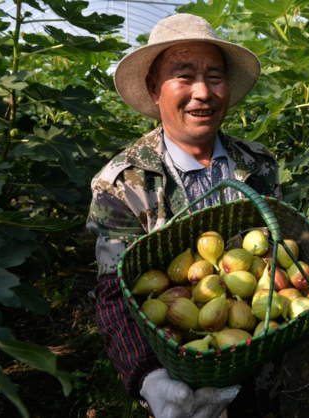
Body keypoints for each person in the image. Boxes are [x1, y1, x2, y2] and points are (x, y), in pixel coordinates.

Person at [86, 13, 281, 418]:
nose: (202, 92)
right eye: (184, 75)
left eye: (214, 76)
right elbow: (113, 294)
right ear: (154, 89)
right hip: (178, 378)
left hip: (259, 367)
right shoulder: (122, 182)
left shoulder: (258, 164)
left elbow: (277, 253)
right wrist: (149, 379)